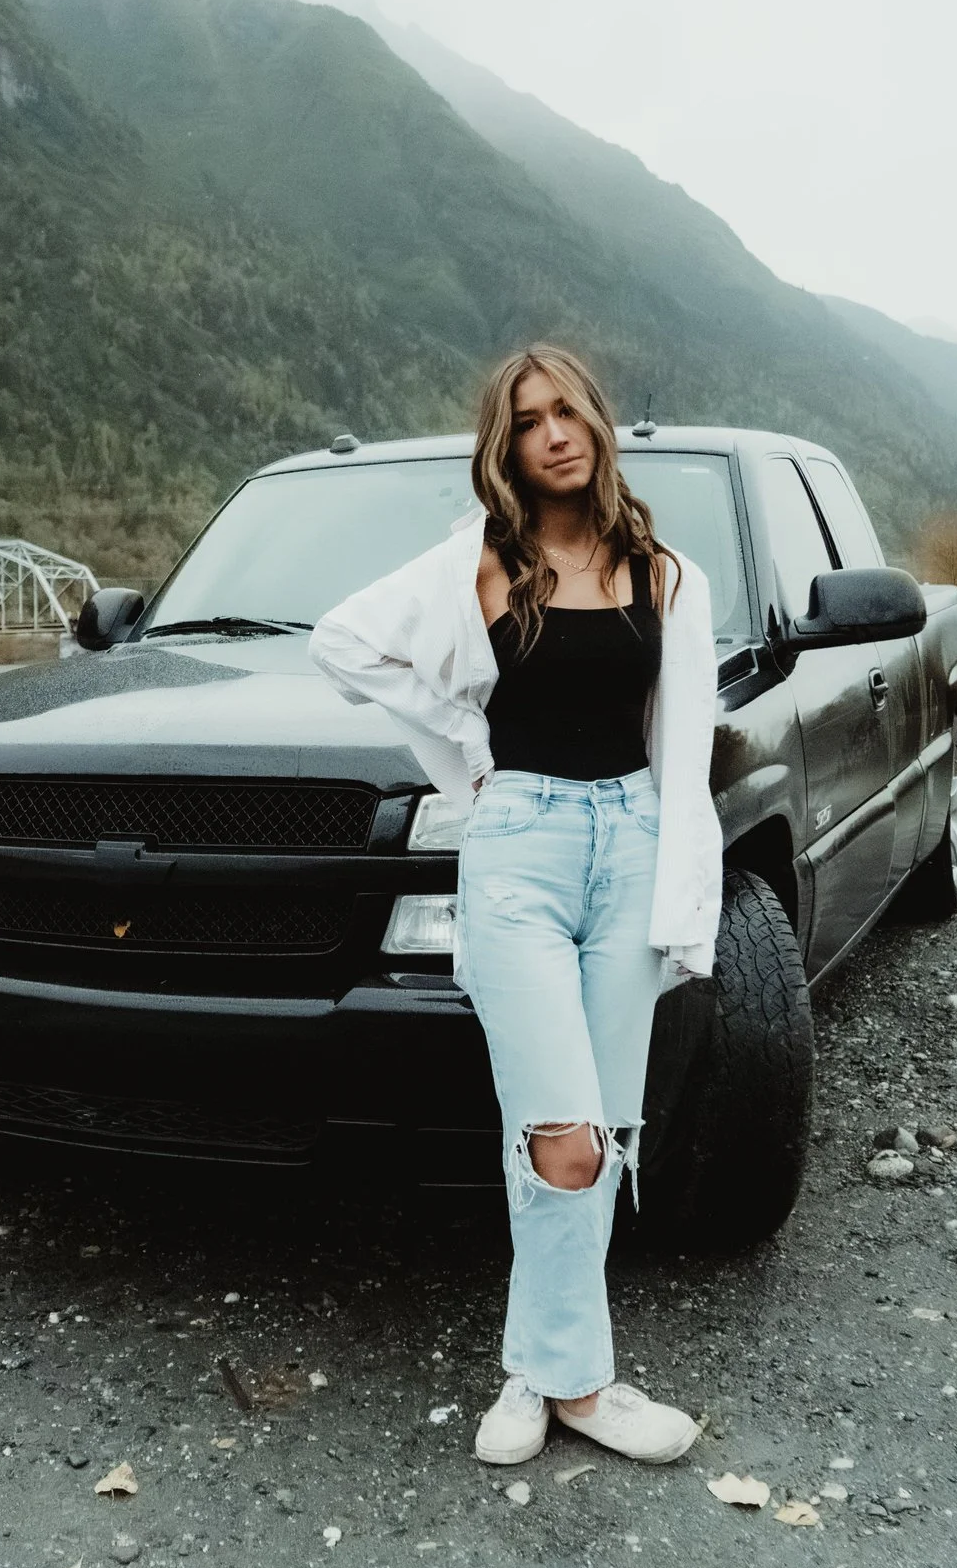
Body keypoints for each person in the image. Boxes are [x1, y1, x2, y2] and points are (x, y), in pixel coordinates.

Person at [309, 344, 724, 1465]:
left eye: (568, 409)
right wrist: (464, 744)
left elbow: (684, 750)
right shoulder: (479, 563)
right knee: (564, 1135)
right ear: (506, 441)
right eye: (528, 417)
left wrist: (685, 892)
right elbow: (342, 640)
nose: (553, 431)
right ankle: (583, 1380)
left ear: (595, 420)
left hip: (628, 841)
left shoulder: (664, 571)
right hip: (521, 850)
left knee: (597, 1125)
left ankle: (536, 1373)